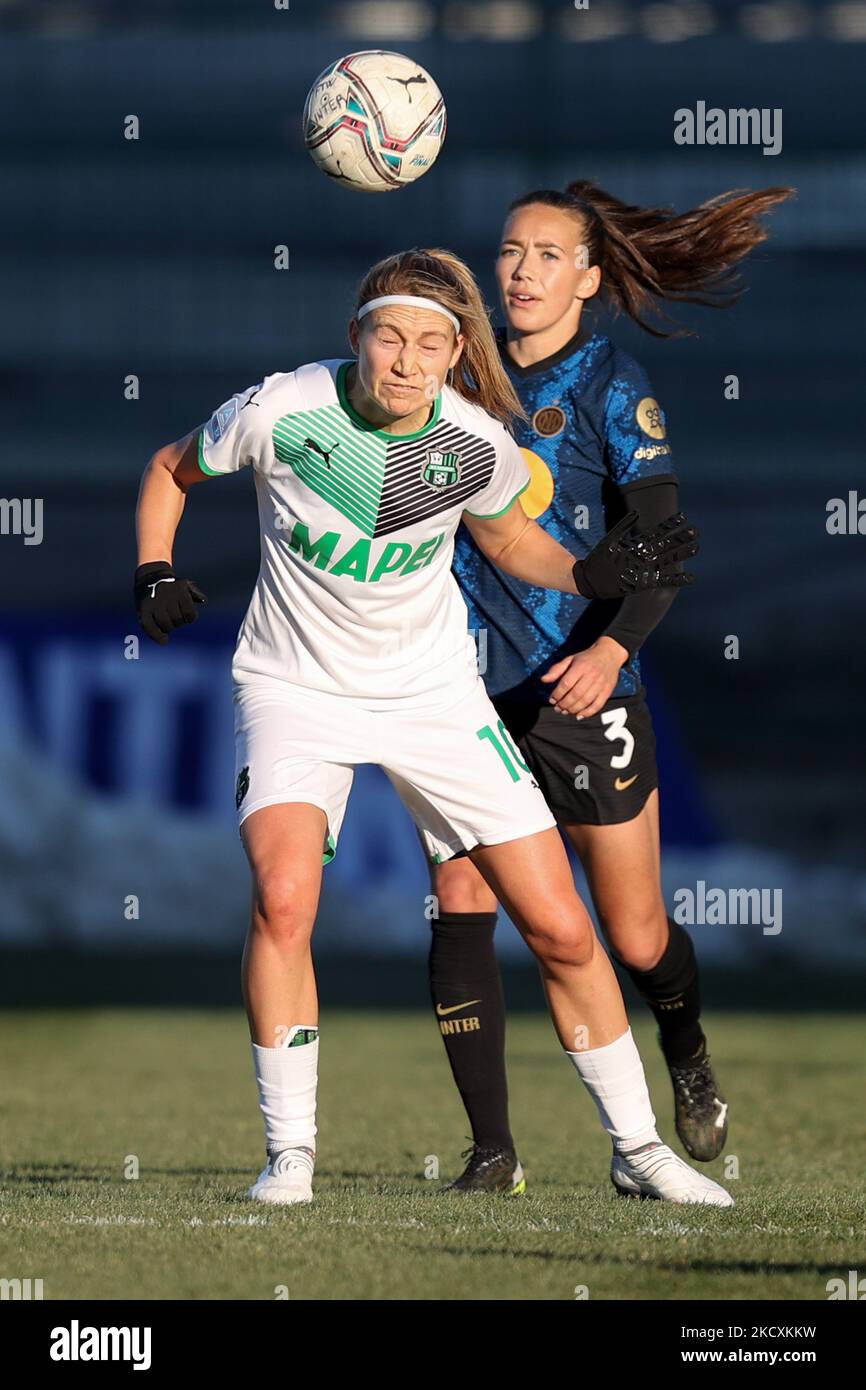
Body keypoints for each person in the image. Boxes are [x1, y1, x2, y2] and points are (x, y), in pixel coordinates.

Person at [133, 245, 730, 1209]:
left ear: (457, 354)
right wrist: (154, 569)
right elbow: (170, 466)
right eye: (390, 336)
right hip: (295, 690)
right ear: (356, 339)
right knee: (285, 899)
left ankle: (640, 1152)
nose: (408, 359)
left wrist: (590, 576)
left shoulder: (471, 443)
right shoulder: (283, 409)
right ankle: (291, 1157)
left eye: (432, 343)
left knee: (564, 930)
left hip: (433, 695)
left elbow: (509, 539)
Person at [421, 180, 792, 1194]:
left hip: (580, 688)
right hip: (460, 691)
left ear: (588, 278)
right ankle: (491, 1152)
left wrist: (611, 650)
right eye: (508, 251)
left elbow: (659, 543)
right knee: (459, 893)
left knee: (629, 930)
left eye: (547, 255)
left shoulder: (606, 383)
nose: (520, 270)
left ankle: (685, 1050)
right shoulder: (455, 374)